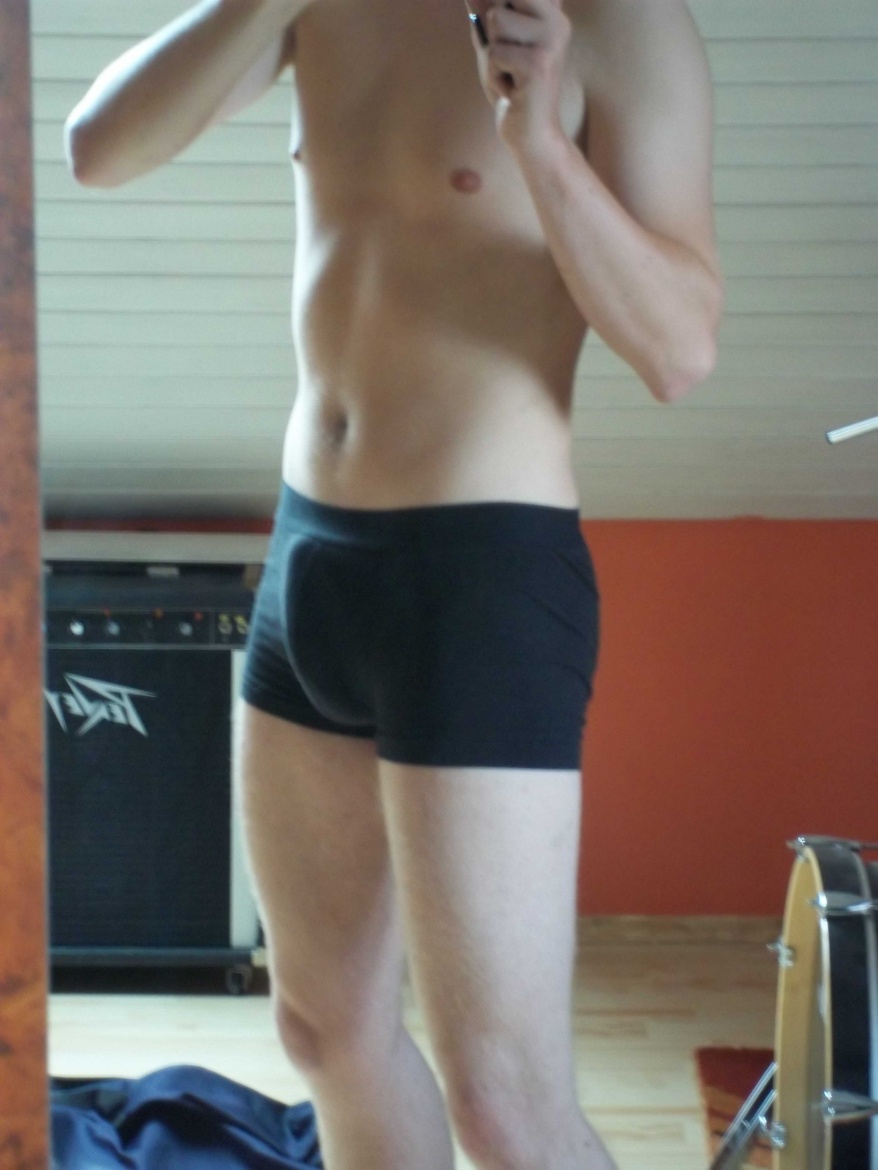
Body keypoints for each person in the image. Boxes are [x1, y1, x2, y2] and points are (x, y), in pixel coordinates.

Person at [65, 1, 723, 1166]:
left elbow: (679, 352)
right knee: (324, 1031)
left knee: (504, 1106)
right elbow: (98, 149)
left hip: (475, 578)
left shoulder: (616, 22)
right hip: (310, 561)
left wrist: (536, 142)